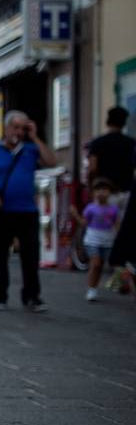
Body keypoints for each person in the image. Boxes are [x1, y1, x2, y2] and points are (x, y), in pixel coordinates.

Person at [0, 110, 57, 312]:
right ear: (6, 128)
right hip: (1, 212)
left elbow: (51, 162)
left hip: (27, 211)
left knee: (31, 255)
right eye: (15, 127)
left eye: (23, 128)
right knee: (0, 255)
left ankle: (32, 296)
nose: (18, 132)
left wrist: (35, 137)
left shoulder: (31, 150)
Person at [87, 107, 136, 292]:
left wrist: (92, 188)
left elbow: (92, 168)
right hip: (128, 193)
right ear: (124, 123)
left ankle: (113, 273)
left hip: (106, 194)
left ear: (107, 120)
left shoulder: (98, 143)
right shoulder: (131, 143)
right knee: (123, 235)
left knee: (103, 233)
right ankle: (123, 272)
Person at [73, 178, 119, 301]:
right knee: (95, 264)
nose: (101, 192)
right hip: (92, 241)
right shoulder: (90, 208)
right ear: (93, 192)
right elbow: (84, 223)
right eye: (98, 189)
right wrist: (75, 215)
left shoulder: (113, 209)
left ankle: (94, 288)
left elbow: (117, 225)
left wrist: (119, 239)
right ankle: (91, 290)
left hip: (107, 241)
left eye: (104, 189)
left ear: (110, 192)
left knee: (100, 267)